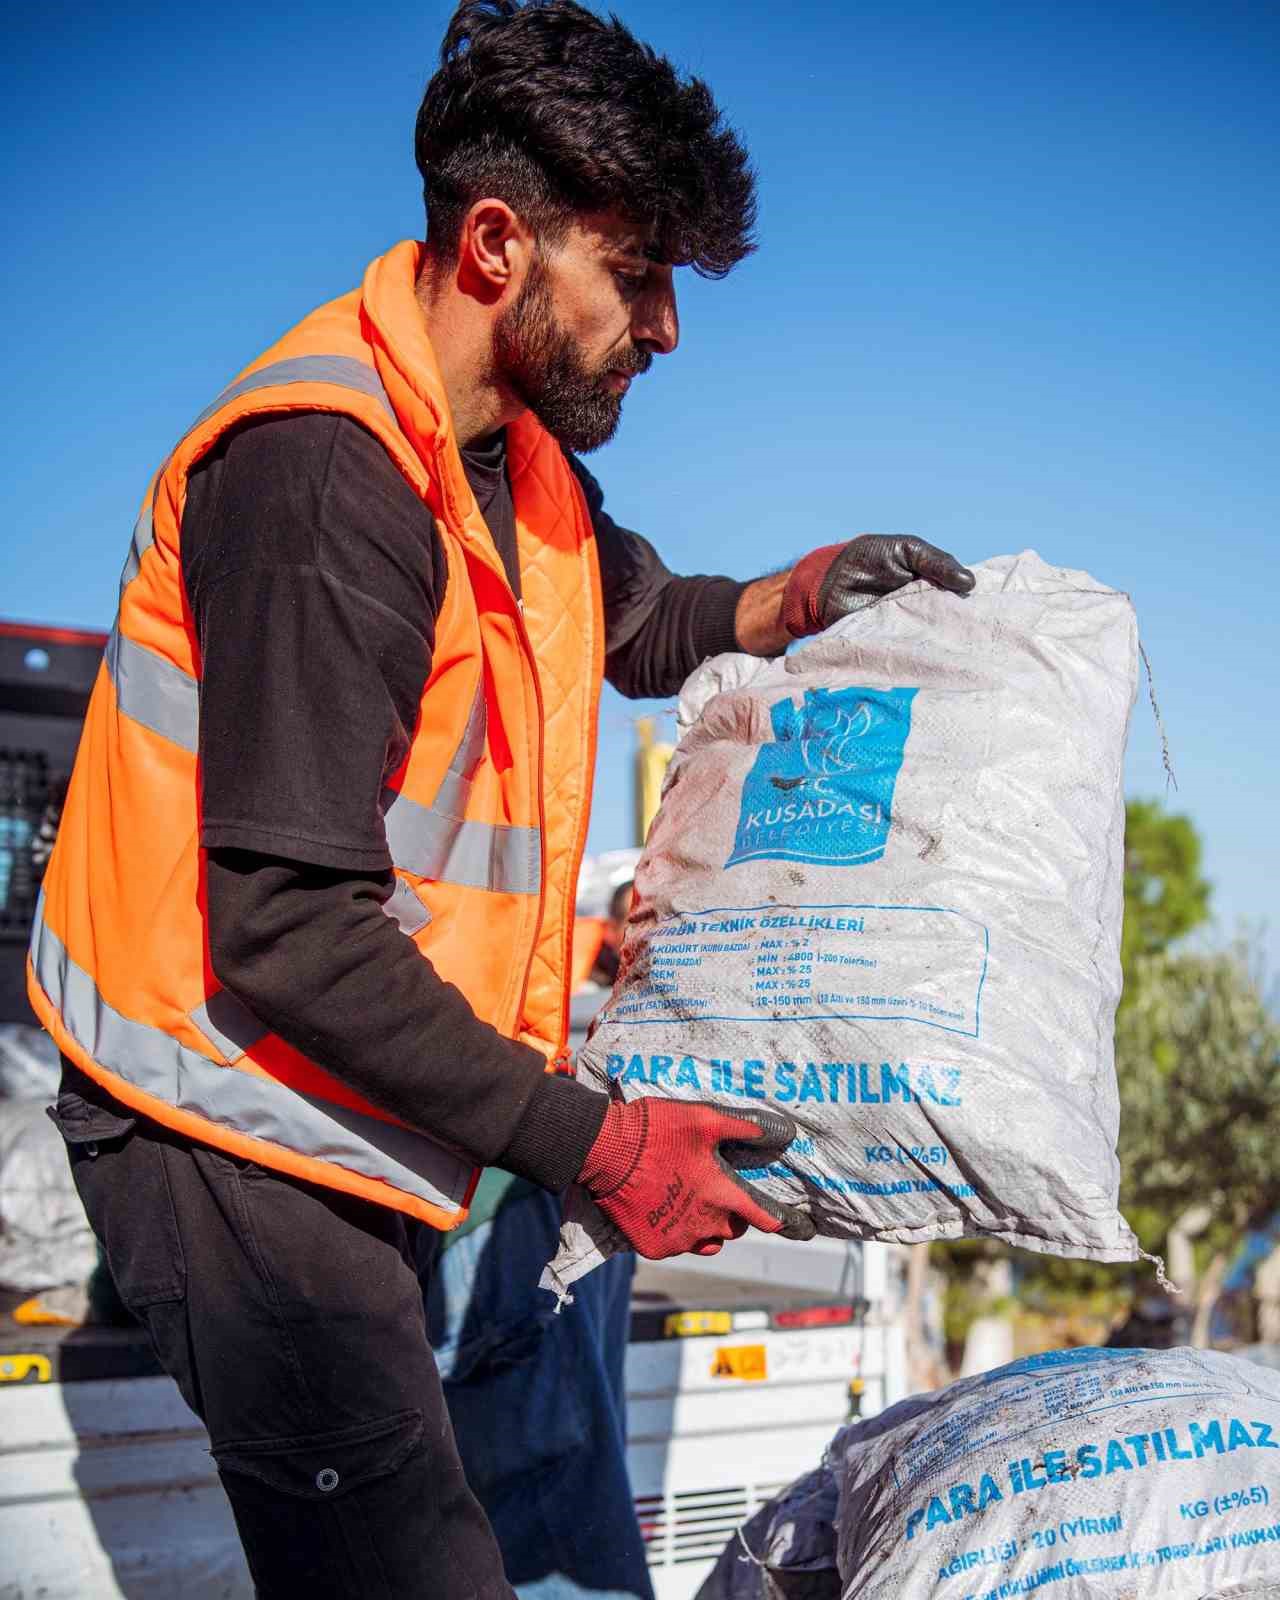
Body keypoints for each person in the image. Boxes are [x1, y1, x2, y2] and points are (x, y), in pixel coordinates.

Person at [28, 3, 974, 1594]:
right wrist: (593, 1148)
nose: (667, 328)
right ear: (493, 245)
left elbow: (641, 616)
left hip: (369, 1102)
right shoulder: (328, 481)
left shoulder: (519, 460)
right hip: (222, 1125)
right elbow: (285, 936)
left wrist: (806, 592)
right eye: (638, 275)